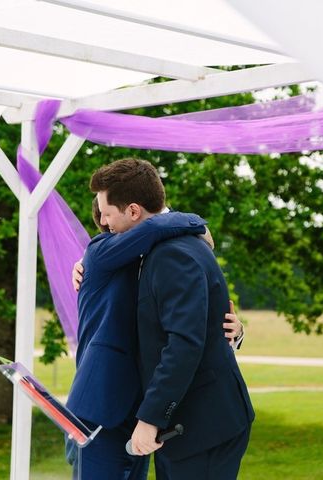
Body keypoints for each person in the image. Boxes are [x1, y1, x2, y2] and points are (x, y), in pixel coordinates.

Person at [89, 158, 255, 480]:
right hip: (190, 424)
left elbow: (184, 342)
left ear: (134, 211)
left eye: (108, 214)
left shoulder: (172, 255)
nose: (105, 225)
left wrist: (151, 419)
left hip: (202, 426)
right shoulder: (167, 246)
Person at [66, 192, 211, 480]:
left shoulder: (152, 259)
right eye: (107, 216)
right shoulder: (99, 251)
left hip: (139, 410)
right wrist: (199, 224)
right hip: (100, 409)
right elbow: (155, 226)